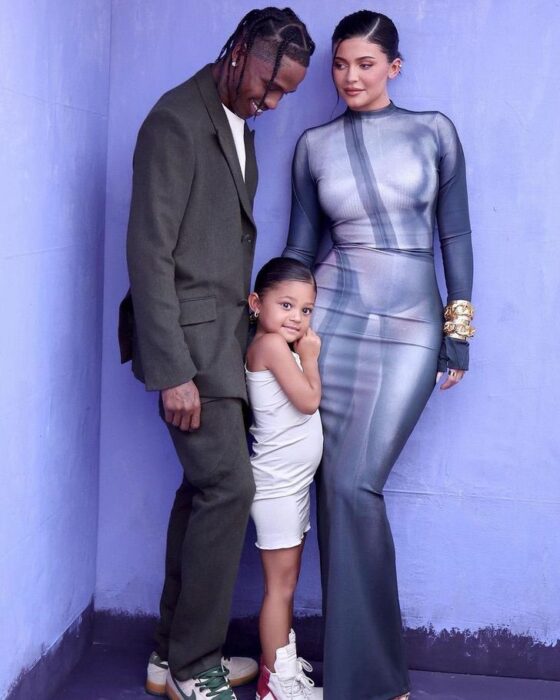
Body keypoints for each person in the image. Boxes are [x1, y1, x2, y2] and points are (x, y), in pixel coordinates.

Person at [118, 9, 315, 700]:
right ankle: (192, 663)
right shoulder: (175, 121)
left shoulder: (238, 126)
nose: (270, 102)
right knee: (229, 486)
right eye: (269, 83)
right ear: (237, 53)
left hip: (223, 341)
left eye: (285, 93)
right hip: (186, 348)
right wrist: (172, 371)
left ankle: (167, 655)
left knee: (205, 491)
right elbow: (150, 252)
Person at [283, 10, 474, 700]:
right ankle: (365, 679)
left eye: (365, 64)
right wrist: (279, 334)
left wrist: (459, 332)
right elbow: (301, 251)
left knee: (352, 484)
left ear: (395, 66)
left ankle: (370, 677)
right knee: (333, 491)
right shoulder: (312, 145)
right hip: (331, 320)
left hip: (411, 323)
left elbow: (455, 236)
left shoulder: (434, 133)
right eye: (340, 64)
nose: (350, 77)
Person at [245, 258, 323, 700]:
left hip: (290, 485)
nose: (297, 317)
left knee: (286, 585)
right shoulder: (272, 346)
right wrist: (310, 357)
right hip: (277, 487)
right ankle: (276, 687)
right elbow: (308, 400)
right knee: (280, 588)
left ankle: (279, 675)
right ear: (257, 303)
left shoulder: (279, 346)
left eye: (306, 310)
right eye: (286, 304)